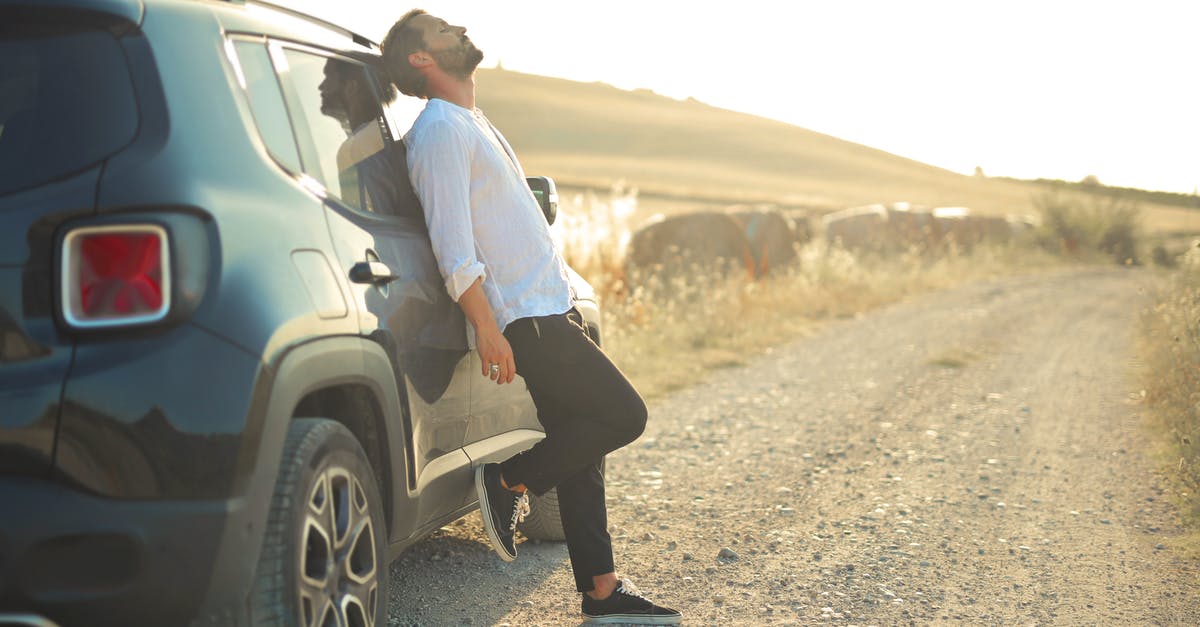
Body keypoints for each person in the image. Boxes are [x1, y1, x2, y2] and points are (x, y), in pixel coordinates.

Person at [382, 10, 681, 625]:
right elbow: (453, 247)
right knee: (625, 415)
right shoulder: (440, 130)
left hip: (553, 308)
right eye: (443, 28)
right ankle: (508, 481)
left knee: (584, 453)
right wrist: (488, 327)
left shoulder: (472, 122)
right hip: (526, 318)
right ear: (420, 58)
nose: (458, 28)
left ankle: (601, 593)